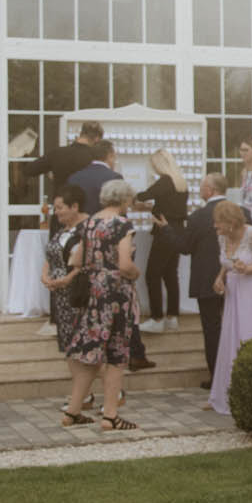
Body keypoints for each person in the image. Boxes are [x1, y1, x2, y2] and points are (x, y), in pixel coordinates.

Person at [60, 177, 142, 431]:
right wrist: (135, 274)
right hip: (116, 294)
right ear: (124, 199)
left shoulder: (89, 223)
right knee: (116, 354)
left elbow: (76, 260)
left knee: (90, 355)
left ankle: (72, 411)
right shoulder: (122, 224)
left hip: (93, 293)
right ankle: (110, 416)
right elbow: (125, 264)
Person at [206, 202, 252, 415]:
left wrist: (249, 268)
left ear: (230, 222)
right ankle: (225, 394)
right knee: (231, 339)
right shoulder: (223, 237)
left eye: (218, 222)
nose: (215, 226)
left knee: (249, 336)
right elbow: (227, 261)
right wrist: (220, 277)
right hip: (234, 293)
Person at [157, 174, 229, 387]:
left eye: (201, 186)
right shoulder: (242, 212)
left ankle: (217, 378)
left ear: (210, 190)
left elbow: (185, 247)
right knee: (235, 326)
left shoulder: (198, 216)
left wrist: (166, 229)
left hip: (207, 280)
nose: (199, 190)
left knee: (212, 329)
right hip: (236, 278)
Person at [133, 148, 189, 333]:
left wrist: (132, 197)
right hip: (178, 230)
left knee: (152, 274)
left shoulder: (165, 181)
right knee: (170, 274)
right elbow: (169, 206)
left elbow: (144, 195)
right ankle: (172, 316)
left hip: (164, 231)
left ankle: (157, 318)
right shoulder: (180, 182)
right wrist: (151, 208)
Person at [39, 184, 89, 368]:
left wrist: (67, 279)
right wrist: (45, 275)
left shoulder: (88, 228)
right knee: (68, 345)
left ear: (74, 206)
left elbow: (88, 261)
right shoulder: (62, 229)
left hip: (78, 294)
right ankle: (80, 386)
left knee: (82, 345)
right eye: (55, 208)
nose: (56, 212)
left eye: (60, 208)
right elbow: (50, 256)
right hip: (60, 296)